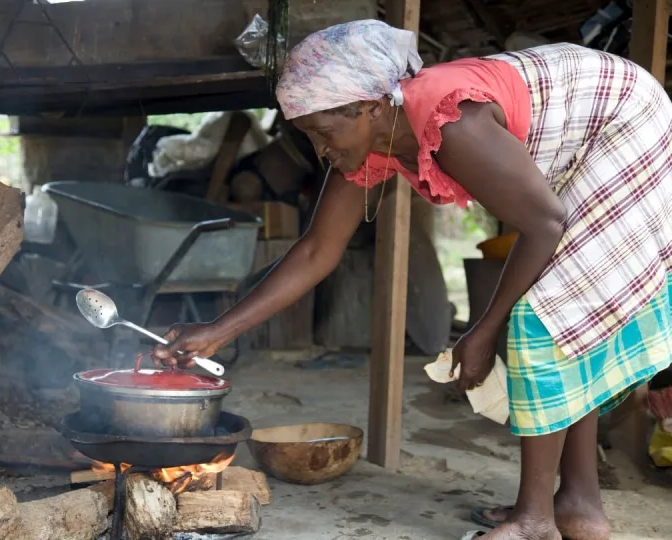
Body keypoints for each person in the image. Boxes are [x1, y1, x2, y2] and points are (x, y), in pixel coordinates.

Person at [153, 19, 672, 540]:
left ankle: (535, 519)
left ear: (372, 107)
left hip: (622, 118)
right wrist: (217, 331)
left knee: (544, 317)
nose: (320, 152)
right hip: (584, 141)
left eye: (323, 132)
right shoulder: (371, 138)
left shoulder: (452, 123)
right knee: (566, 318)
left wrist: (484, 330)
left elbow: (544, 223)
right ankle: (577, 503)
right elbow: (315, 251)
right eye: (309, 136)